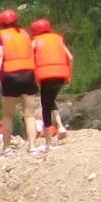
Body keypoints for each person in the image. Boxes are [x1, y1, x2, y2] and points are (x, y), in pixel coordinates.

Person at [0, 9, 43, 157]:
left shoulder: (1, 35)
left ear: (1, 24)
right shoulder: (25, 33)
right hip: (28, 74)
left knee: (7, 115)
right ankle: (32, 147)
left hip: (10, 76)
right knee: (30, 114)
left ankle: (6, 148)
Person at [30, 18, 74, 147]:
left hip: (46, 76)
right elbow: (70, 57)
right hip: (61, 75)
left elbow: (31, 58)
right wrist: (69, 75)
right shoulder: (58, 38)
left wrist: (33, 75)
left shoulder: (35, 41)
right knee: (50, 101)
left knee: (45, 107)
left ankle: (48, 142)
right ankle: (60, 127)